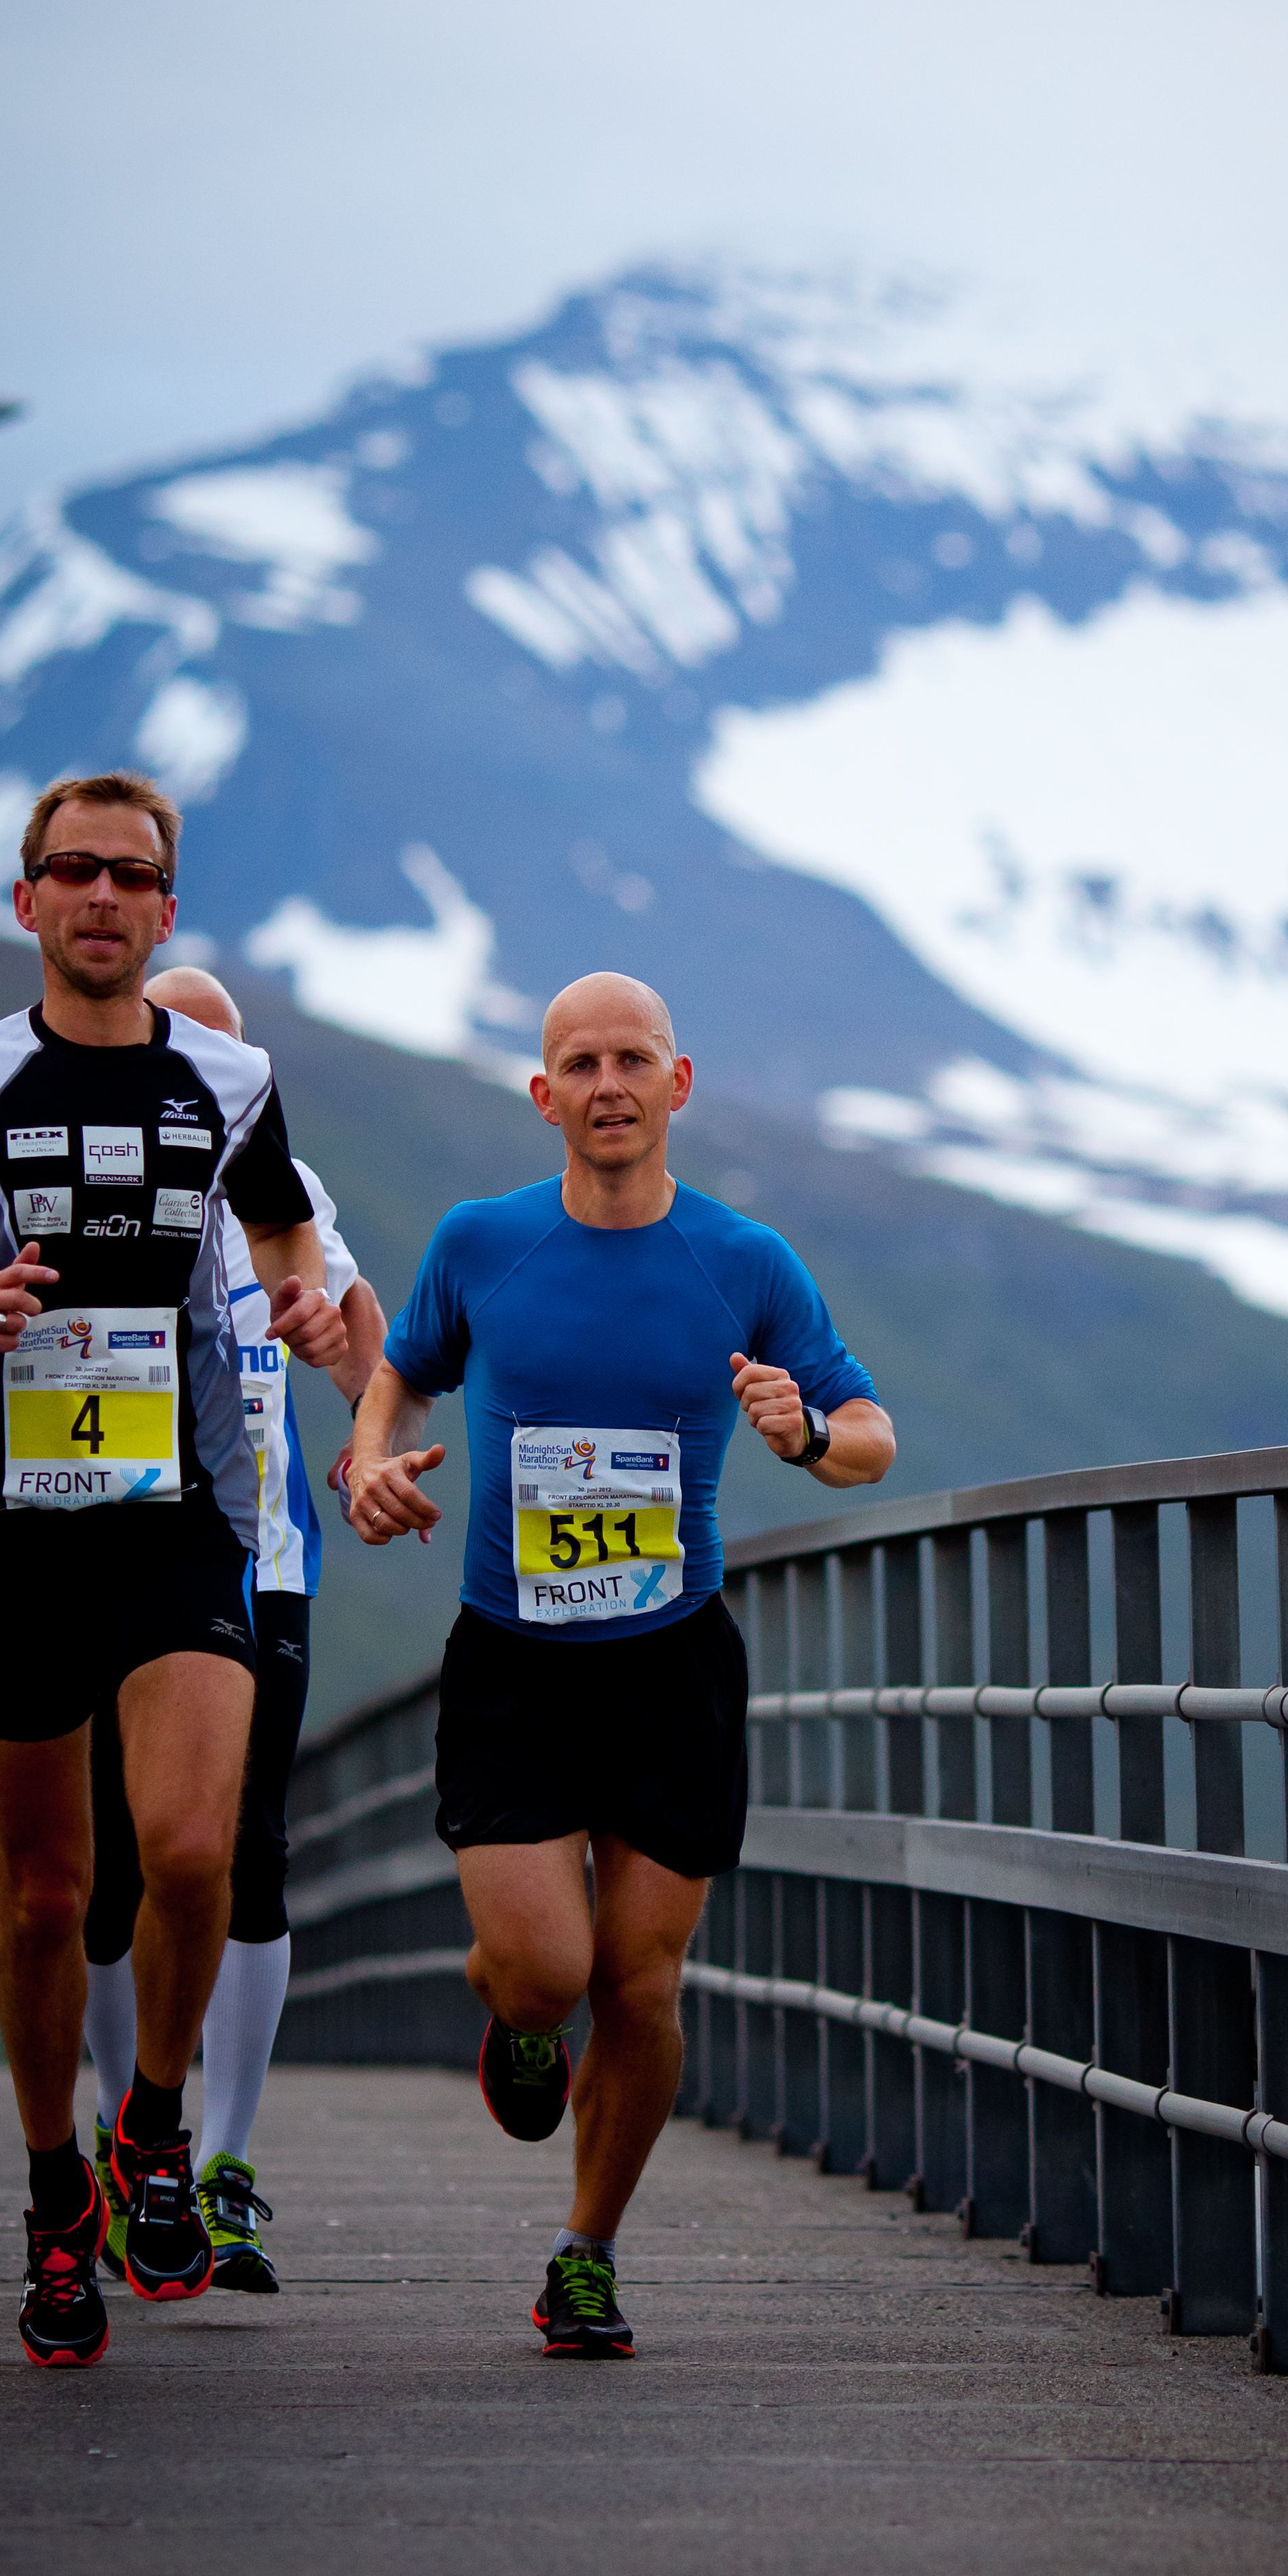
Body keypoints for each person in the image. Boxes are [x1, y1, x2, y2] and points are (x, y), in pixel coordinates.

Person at [0, 771, 350, 2369]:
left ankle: (153, 2129)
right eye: (72, 872)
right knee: (48, 1892)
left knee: (194, 1851)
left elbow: (282, 1240)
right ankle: (55, 2194)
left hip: (185, 1508)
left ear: (165, 906)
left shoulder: (235, 1079)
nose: (101, 898)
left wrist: (306, 1305)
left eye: (131, 875)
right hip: (21, 1526)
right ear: (29, 902)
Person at [344, 969, 894, 2359]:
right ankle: (516, 2021)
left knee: (641, 1989)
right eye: (578, 1063)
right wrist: (366, 1454)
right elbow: (404, 1368)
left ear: (677, 1082)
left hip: (671, 1662)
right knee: (543, 1968)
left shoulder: (745, 1261)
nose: (607, 1084)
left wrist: (802, 1435)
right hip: (517, 1660)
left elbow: (872, 1429)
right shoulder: (482, 1244)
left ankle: (585, 2251)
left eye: (630, 1059)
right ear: (543, 1095)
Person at [0, 964, 392, 2293]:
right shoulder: (59, 1198)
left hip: (256, 1560)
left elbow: (372, 1365)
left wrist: (361, 1438)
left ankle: (212, 2161)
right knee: (104, 1874)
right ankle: (139, 2133)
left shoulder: (293, 1207)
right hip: (88, 1550)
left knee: (237, 1852)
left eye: (213, 1054)